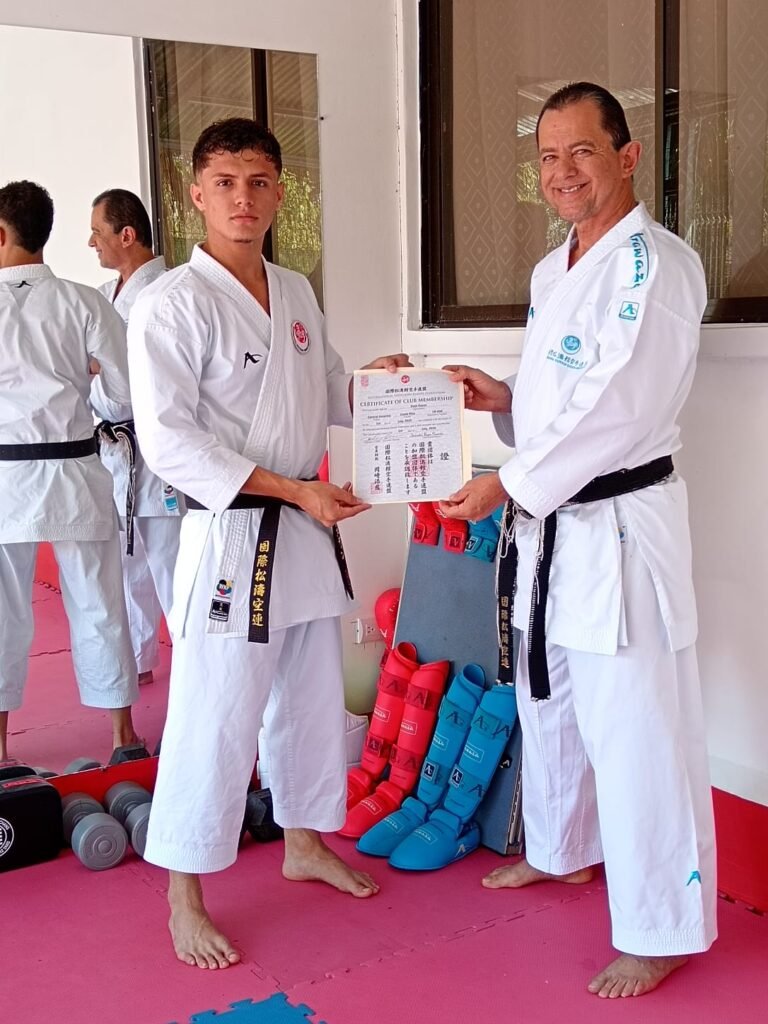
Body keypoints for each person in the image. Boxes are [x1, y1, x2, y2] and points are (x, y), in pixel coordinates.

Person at [439, 83, 716, 999]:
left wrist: (506, 484)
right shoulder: (552, 269)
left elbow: (620, 407)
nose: (562, 172)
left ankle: (661, 927)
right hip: (553, 526)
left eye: (582, 151)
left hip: (619, 530)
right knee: (548, 697)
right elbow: (567, 394)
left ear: (628, 156)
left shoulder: (655, 266)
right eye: (548, 156)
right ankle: (561, 850)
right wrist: (505, 399)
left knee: (636, 730)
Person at [128, 118, 409, 969]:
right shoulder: (170, 304)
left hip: (303, 532)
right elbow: (168, 442)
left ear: (282, 193)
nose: (242, 199)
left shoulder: (294, 291)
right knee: (214, 714)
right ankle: (183, 894)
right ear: (195, 194)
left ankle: (303, 842)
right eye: (224, 182)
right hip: (233, 537)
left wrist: (388, 389)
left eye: (258, 182)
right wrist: (295, 490)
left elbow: (329, 388)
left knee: (310, 699)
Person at [0, 180, 139, 760]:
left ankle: (0, 751)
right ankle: (123, 737)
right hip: (76, 472)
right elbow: (125, 394)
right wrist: (86, 382)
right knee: (100, 604)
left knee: (1, 614)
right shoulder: (86, 302)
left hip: (5, 481)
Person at [89, 188, 183, 686]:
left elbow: (130, 383)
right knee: (127, 564)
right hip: (114, 451)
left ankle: (192, 661)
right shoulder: (105, 295)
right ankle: (139, 660)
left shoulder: (170, 292)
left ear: (127, 235)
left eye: (97, 233)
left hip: (155, 449)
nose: (91, 243)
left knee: (169, 564)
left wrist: (98, 368)